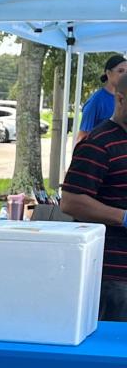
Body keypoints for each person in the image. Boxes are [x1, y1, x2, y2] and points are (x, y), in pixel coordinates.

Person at [61, 76, 127, 320]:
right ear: (120, 99)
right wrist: (123, 217)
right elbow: (70, 201)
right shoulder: (97, 143)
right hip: (114, 274)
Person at [73, 53, 127, 145]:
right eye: (120, 71)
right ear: (108, 73)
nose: (125, 75)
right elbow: (82, 137)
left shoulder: (124, 99)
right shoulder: (96, 101)